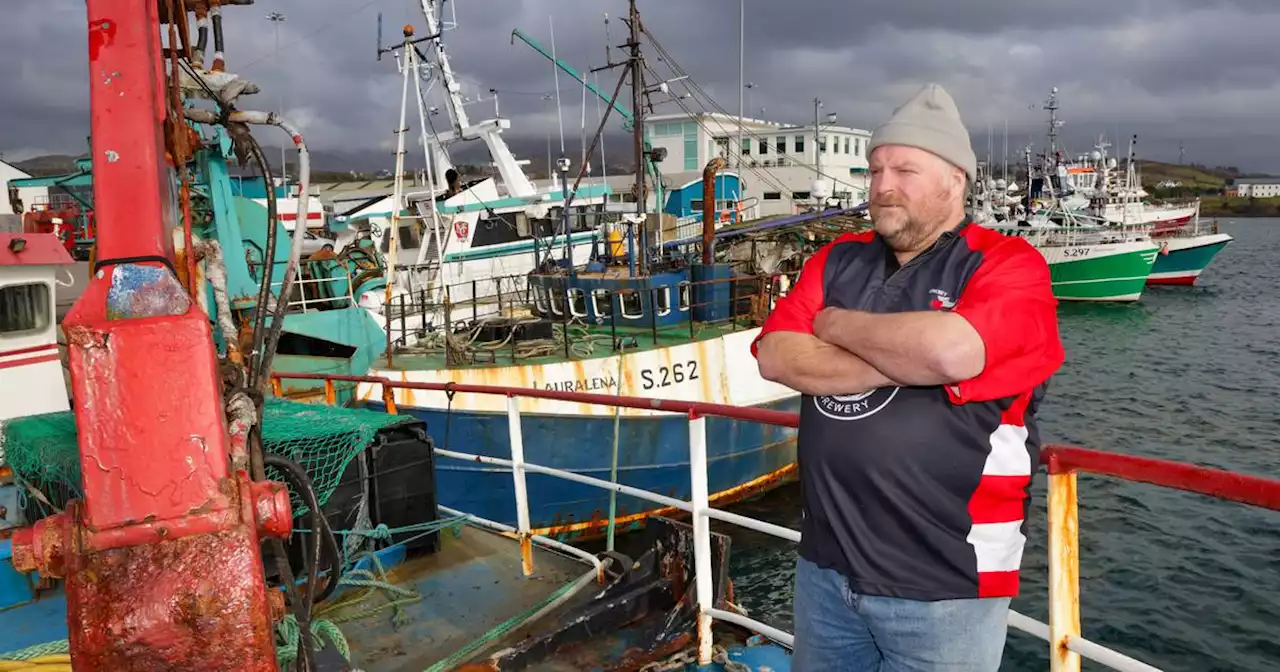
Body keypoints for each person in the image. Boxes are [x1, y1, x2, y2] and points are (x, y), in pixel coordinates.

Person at [752, 83, 1064, 671]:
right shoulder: (837, 259)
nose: (882, 186)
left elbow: (951, 353)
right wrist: (902, 358)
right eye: (874, 170)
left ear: (956, 180)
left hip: (944, 585)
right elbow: (775, 356)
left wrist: (833, 322)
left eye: (905, 170)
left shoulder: (1006, 265)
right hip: (826, 570)